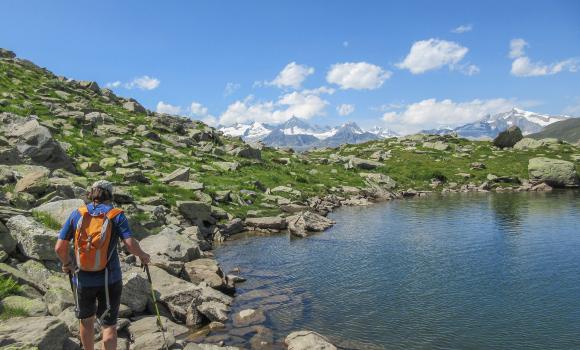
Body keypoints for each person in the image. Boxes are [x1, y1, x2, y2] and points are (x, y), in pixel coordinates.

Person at [54, 180, 150, 350]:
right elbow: (129, 244)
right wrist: (142, 256)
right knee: (109, 324)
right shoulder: (116, 215)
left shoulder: (78, 214)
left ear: (91, 194)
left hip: (82, 279)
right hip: (110, 279)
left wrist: (67, 264)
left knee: (86, 320)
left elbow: (59, 247)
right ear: (110, 195)